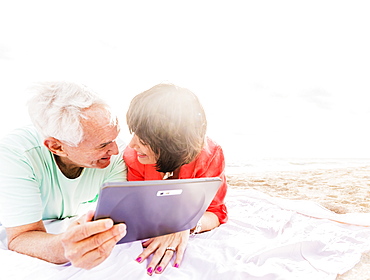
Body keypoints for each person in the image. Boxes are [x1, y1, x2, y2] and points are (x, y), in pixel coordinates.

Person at [0, 81, 127, 269]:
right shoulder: (16, 155)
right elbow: (20, 236)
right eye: (103, 145)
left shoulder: (117, 154)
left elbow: (124, 217)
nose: (115, 150)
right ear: (57, 147)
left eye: (115, 138)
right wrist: (64, 248)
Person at [123, 83, 228, 276]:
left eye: (144, 138)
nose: (132, 144)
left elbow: (215, 213)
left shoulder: (211, 155)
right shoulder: (133, 157)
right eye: (133, 132)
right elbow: (137, 209)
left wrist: (186, 225)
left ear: (170, 139)